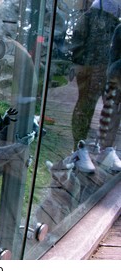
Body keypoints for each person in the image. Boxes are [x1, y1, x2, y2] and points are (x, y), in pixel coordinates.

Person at [70, 0, 120, 173]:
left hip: (112, 44)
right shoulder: (91, 15)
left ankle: (106, 150)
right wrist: (83, 65)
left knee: (113, 103)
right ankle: (78, 150)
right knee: (86, 103)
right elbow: (78, 40)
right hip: (97, 33)